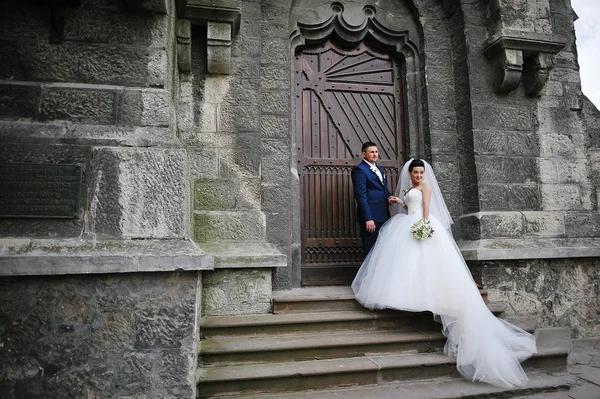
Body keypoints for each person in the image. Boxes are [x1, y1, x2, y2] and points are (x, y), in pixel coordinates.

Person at [352, 158, 537, 388]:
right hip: (407, 222)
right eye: (416, 172)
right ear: (410, 173)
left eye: (421, 172)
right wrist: (399, 200)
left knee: (429, 265)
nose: (419, 175)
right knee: (408, 266)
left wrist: (425, 226)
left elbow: (426, 209)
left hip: (423, 226)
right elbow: (410, 207)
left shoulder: (426, 187)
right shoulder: (410, 188)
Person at [351, 142, 397, 258]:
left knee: (382, 249)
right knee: (371, 250)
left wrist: (389, 197)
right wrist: (368, 218)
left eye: (376, 152)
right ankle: (368, 276)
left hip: (383, 214)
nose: (375, 154)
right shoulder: (359, 170)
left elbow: (382, 188)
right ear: (364, 154)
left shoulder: (380, 169)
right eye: (372, 152)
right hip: (371, 218)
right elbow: (361, 195)